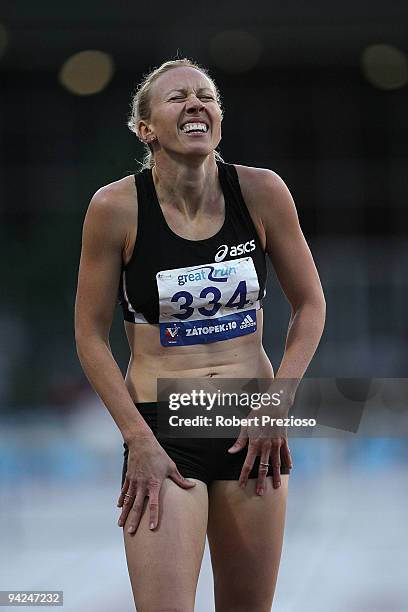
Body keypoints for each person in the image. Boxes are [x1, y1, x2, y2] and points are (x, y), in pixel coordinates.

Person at [75, 58, 326, 612]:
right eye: (177, 97)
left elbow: (310, 305)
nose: (196, 103)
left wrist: (279, 403)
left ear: (218, 117)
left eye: (206, 95)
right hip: (164, 433)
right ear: (146, 129)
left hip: (251, 427)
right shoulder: (115, 208)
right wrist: (136, 438)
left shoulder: (260, 192)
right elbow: (90, 337)